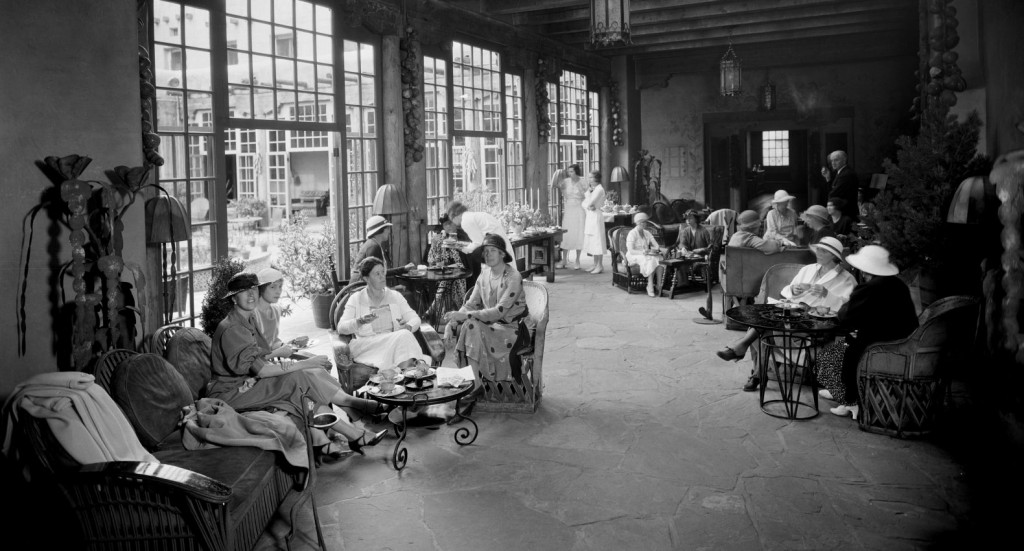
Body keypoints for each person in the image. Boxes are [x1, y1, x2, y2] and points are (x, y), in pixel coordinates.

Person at [208, 272, 387, 456]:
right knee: (297, 378)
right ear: (233, 298)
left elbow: (260, 356)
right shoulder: (233, 328)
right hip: (232, 392)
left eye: (253, 289)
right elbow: (261, 370)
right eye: (244, 292)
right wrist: (306, 363)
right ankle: (351, 421)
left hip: (249, 382)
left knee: (300, 384)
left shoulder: (247, 318)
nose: (251, 295)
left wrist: (282, 364)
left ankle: (343, 434)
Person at [717, 237, 856, 391]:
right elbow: (787, 291)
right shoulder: (808, 269)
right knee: (764, 320)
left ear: (834, 256)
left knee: (764, 326)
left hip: (816, 325)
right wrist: (794, 290)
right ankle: (754, 368)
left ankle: (751, 364)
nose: (818, 253)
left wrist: (827, 295)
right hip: (793, 314)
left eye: (823, 251)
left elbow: (848, 308)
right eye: (818, 250)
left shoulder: (846, 279)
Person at [816, 245, 918, 420]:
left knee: (845, 346)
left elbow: (846, 316)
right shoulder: (899, 285)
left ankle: (850, 401)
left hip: (880, 345)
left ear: (865, 269)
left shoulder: (869, 288)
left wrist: (846, 308)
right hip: (902, 341)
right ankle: (841, 392)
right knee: (849, 339)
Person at [446, 233, 531, 385]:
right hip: (491, 326)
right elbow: (470, 305)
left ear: (502, 254)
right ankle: (475, 382)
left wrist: (465, 316)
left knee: (470, 323)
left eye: (492, 250)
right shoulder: (484, 276)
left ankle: (475, 384)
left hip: (513, 329)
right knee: (470, 325)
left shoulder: (513, 277)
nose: (488, 254)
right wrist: (451, 323)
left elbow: (499, 312)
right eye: (485, 251)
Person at [336, 257, 432, 371]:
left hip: (394, 344)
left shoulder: (395, 296)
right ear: (366, 278)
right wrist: (360, 321)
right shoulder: (356, 299)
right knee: (404, 337)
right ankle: (414, 370)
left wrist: (408, 326)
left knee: (404, 335)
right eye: (377, 274)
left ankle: (401, 375)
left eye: (383, 272)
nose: (382, 277)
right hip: (369, 346)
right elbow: (341, 327)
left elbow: (415, 319)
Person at [423, 214, 467, 326]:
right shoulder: (440, 239)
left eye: (451, 223)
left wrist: (454, 246)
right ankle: (458, 314)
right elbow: (431, 261)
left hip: (463, 273)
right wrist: (434, 244)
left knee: (452, 281)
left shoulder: (463, 237)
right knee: (448, 281)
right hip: (445, 273)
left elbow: (464, 261)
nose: (448, 227)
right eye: (445, 224)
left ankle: (432, 310)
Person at [350, 215, 414, 283]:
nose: (389, 232)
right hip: (360, 287)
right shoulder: (373, 247)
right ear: (381, 230)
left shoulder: (373, 244)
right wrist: (392, 288)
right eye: (387, 229)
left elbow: (380, 272)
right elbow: (373, 277)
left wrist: (403, 269)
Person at [445, 200, 516, 261]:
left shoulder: (465, 221)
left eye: (452, 220)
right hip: (502, 248)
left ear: (454, 216)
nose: (454, 223)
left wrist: (458, 246)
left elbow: (478, 243)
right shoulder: (474, 215)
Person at [549, 163, 587, 269]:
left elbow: (587, 196)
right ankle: (564, 259)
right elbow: (558, 188)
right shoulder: (566, 181)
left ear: (576, 172)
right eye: (568, 172)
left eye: (571, 171)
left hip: (579, 209)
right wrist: (561, 187)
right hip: (569, 209)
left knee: (579, 233)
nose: (569, 173)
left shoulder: (583, 181)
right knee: (567, 234)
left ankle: (577, 260)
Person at [254, 267, 292, 359]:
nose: (278, 291)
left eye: (280, 286)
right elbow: (252, 359)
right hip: (259, 365)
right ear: (261, 289)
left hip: (270, 361)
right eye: (272, 287)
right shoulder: (253, 314)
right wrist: (279, 352)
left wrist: (283, 345)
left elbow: (272, 342)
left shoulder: (275, 310)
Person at [624, 212, 663, 297]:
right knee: (650, 259)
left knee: (658, 258)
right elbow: (631, 250)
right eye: (643, 222)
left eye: (646, 222)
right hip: (633, 255)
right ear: (637, 222)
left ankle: (659, 285)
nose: (645, 224)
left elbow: (656, 245)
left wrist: (654, 250)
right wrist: (643, 252)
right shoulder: (632, 233)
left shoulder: (647, 233)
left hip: (646, 254)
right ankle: (650, 285)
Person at [580, 169, 608, 274]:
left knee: (597, 241)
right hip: (590, 216)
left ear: (596, 178)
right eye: (589, 177)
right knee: (592, 241)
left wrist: (588, 204)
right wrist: (588, 204)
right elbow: (584, 204)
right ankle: (595, 264)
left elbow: (590, 203)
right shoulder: (593, 189)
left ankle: (600, 265)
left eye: (591, 177)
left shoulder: (599, 189)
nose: (589, 179)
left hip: (596, 216)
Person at [821, 150, 859, 219]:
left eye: (836, 160)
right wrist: (828, 178)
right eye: (832, 160)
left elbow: (834, 194)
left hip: (846, 214)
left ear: (844, 160)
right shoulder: (841, 172)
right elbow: (833, 191)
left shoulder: (846, 174)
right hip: (842, 213)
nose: (833, 163)